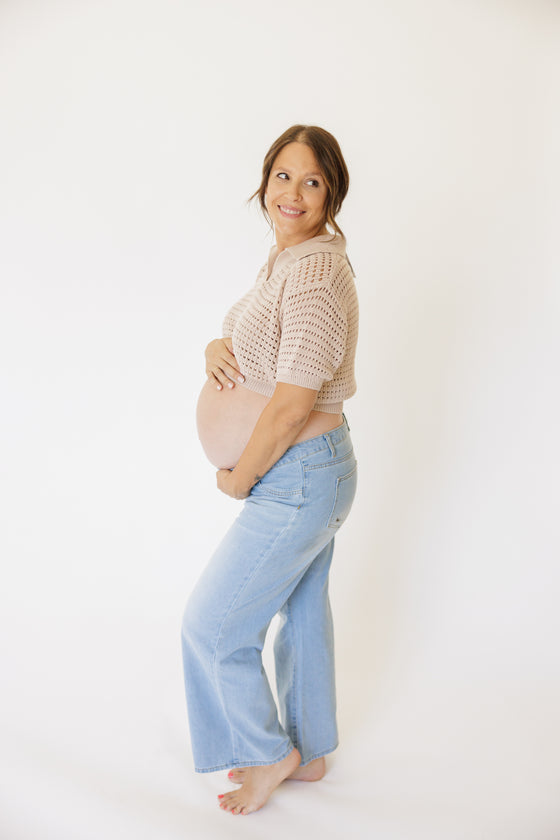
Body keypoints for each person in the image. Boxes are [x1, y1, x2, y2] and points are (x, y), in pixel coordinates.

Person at [181, 124, 359, 816]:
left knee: (211, 626)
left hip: (297, 474)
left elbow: (291, 405)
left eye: (312, 181)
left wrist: (240, 475)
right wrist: (212, 347)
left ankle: (267, 752)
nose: (294, 192)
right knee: (304, 609)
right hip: (318, 473)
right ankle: (310, 755)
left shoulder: (314, 271)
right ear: (265, 182)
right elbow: (247, 334)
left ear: (331, 194)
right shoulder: (289, 259)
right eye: (283, 176)